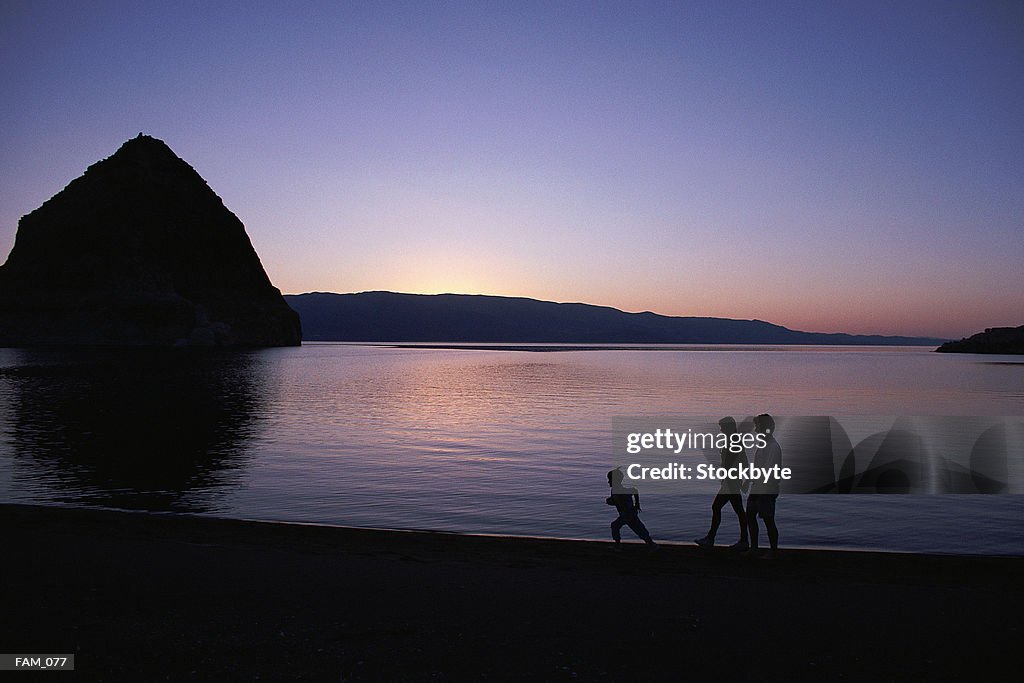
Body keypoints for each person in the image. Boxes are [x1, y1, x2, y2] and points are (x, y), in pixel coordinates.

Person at [695, 417, 749, 550]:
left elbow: (743, 462)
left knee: (717, 507)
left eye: (723, 427)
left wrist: (743, 480)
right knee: (738, 511)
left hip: (732, 483)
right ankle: (743, 540)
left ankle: (712, 538)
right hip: (730, 482)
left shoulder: (734, 442)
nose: (721, 430)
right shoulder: (731, 441)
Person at [746, 414, 782, 558]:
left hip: (766, 489)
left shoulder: (773, 447)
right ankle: (754, 547)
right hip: (757, 487)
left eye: (758, 427)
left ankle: (773, 551)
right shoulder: (763, 445)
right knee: (750, 516)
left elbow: (769, 470)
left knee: (768, 519)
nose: (755, 430)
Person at [606, 468, 657, 547]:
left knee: (639, 530)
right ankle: (618, 544)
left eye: (610, 480)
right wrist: (611, 501)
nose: (608, 482)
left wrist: (637, 504)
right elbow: (619, 501)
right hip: (625, 514)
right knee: (637, 529)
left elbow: (634, 491)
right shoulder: (615, 490)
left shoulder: (620, 490)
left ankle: (652, 545)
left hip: (629, 514)